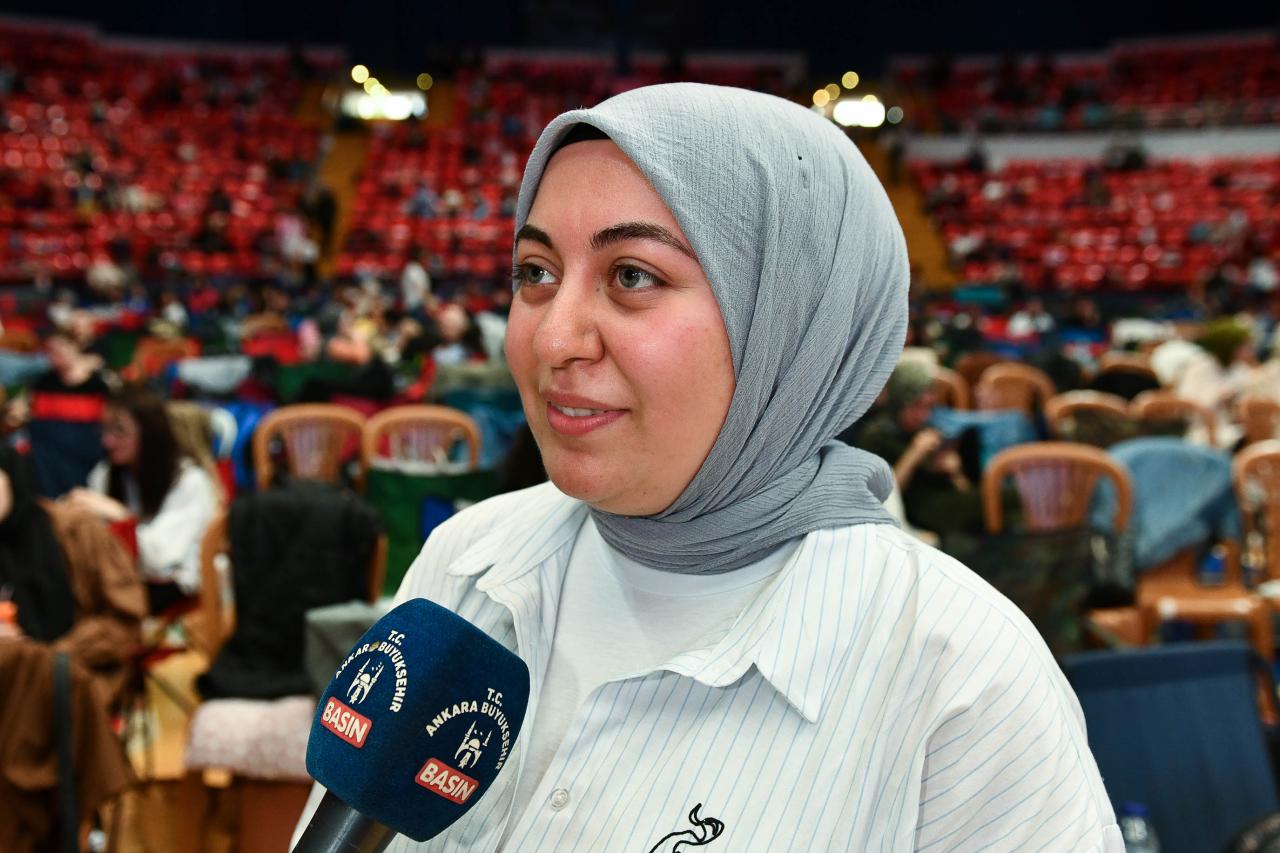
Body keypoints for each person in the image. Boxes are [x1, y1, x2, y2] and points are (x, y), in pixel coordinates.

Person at [295, 84, 1121, 851]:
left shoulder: (961, 677)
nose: (552, 337)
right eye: (535, 273)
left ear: (791, 320)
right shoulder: (466, 561)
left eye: (632, 275)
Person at [0, 445, 145, 852]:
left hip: (72, 680)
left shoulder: (72, 531)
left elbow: (124, 619)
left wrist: (46, 659)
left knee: (42, 690)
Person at [63, 385, 219, 614]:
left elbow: (160, 559)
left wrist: (119, 515)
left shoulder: (189, 481)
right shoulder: (106, 474)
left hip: (176, 593)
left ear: (149, 432)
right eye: (105, 429)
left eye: (119, 431)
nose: (107, 441)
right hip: (122, 580)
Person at [847, 362, 985, 537]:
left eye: (929, 406)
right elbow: (882, 498)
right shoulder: (876, 436)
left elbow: (963, 490)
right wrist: (915, 453)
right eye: (916, 405)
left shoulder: (927, 429)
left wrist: (955, 472)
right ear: (898, 402)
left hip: (944, 505)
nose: (923, 414)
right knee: (1000, 500)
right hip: (912, 512)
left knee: (993, 500)